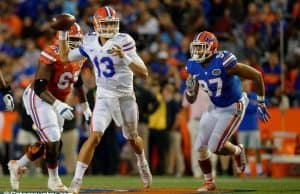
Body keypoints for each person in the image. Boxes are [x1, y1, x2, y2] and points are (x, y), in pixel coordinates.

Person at [57, 6, 152, 193]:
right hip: (103, 97)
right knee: (95, 136)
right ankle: (76, 182)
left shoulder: (124, 41)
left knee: (132, 138)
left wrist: (124, 57)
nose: (109, 28)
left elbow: (144, 74)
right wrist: (62, 35)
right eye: (105, 24)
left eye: (112, 24)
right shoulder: (90, 40)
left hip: (125, 97)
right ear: (96, 25)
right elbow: (65, 57)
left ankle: (142, 162)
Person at [7, 23, 91, 192]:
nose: (75, 45)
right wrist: (58, 104)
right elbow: (39, 87)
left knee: (53, 144)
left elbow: (78, 80)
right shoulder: (51, 53)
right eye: (71, 40)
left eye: (77, 40)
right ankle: (54, 180)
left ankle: (17, 165)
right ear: (62, 40)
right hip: (39, 98)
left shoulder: (80, 56)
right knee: (52, 138)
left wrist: (85, 105)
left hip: (57, 100)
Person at [185, 31, 270, 192]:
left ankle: (238, 151)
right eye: (195, 48)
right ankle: (209, 182)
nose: (197, 52)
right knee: (200, 146)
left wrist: (261, 102)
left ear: (212, 48)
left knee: (215, 146)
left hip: (233, 105)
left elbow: (256, 75)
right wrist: (189, 91)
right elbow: (191, 99)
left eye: (201, 48)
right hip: (215, 107)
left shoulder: (223, 61)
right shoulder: (193, 65)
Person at [238, 80, 263, 176]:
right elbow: (242, 109)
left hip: (254, 127)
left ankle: (260, 170)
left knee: (257, 149)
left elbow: (257, 107)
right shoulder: (239, 96)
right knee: (244, 151)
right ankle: (247, 170)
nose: (246, 87)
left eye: (247, 85)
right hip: (242, 128)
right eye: (244, 85)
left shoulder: (254, 96)